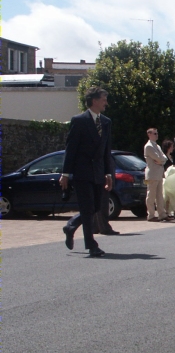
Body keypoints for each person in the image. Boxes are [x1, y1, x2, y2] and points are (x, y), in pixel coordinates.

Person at [60, 86, 114, 257]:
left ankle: (70, 226)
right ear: (94, 101)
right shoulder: (79, 120)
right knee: (87, 207)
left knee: (96, 207)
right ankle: (91, 245)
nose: (106, 102)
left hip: (98, 172)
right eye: (103, 99)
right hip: (82, 172)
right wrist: (66, 173)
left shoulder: (106, 122)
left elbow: (106, 150)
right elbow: (71, 148)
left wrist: (109, 173)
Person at [144, 128, 169, 222]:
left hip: (159, 173)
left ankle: (162, 214)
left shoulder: (157, 146)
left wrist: (161, 161)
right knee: (151, 195)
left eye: (157, 133)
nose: (156, 135)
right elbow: (157, 158)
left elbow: (164, 158)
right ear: (149, 134)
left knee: (159, 195)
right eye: (154, 133)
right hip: (152, 174)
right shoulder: (148, 146)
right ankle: (150, 215)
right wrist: (161, 160)